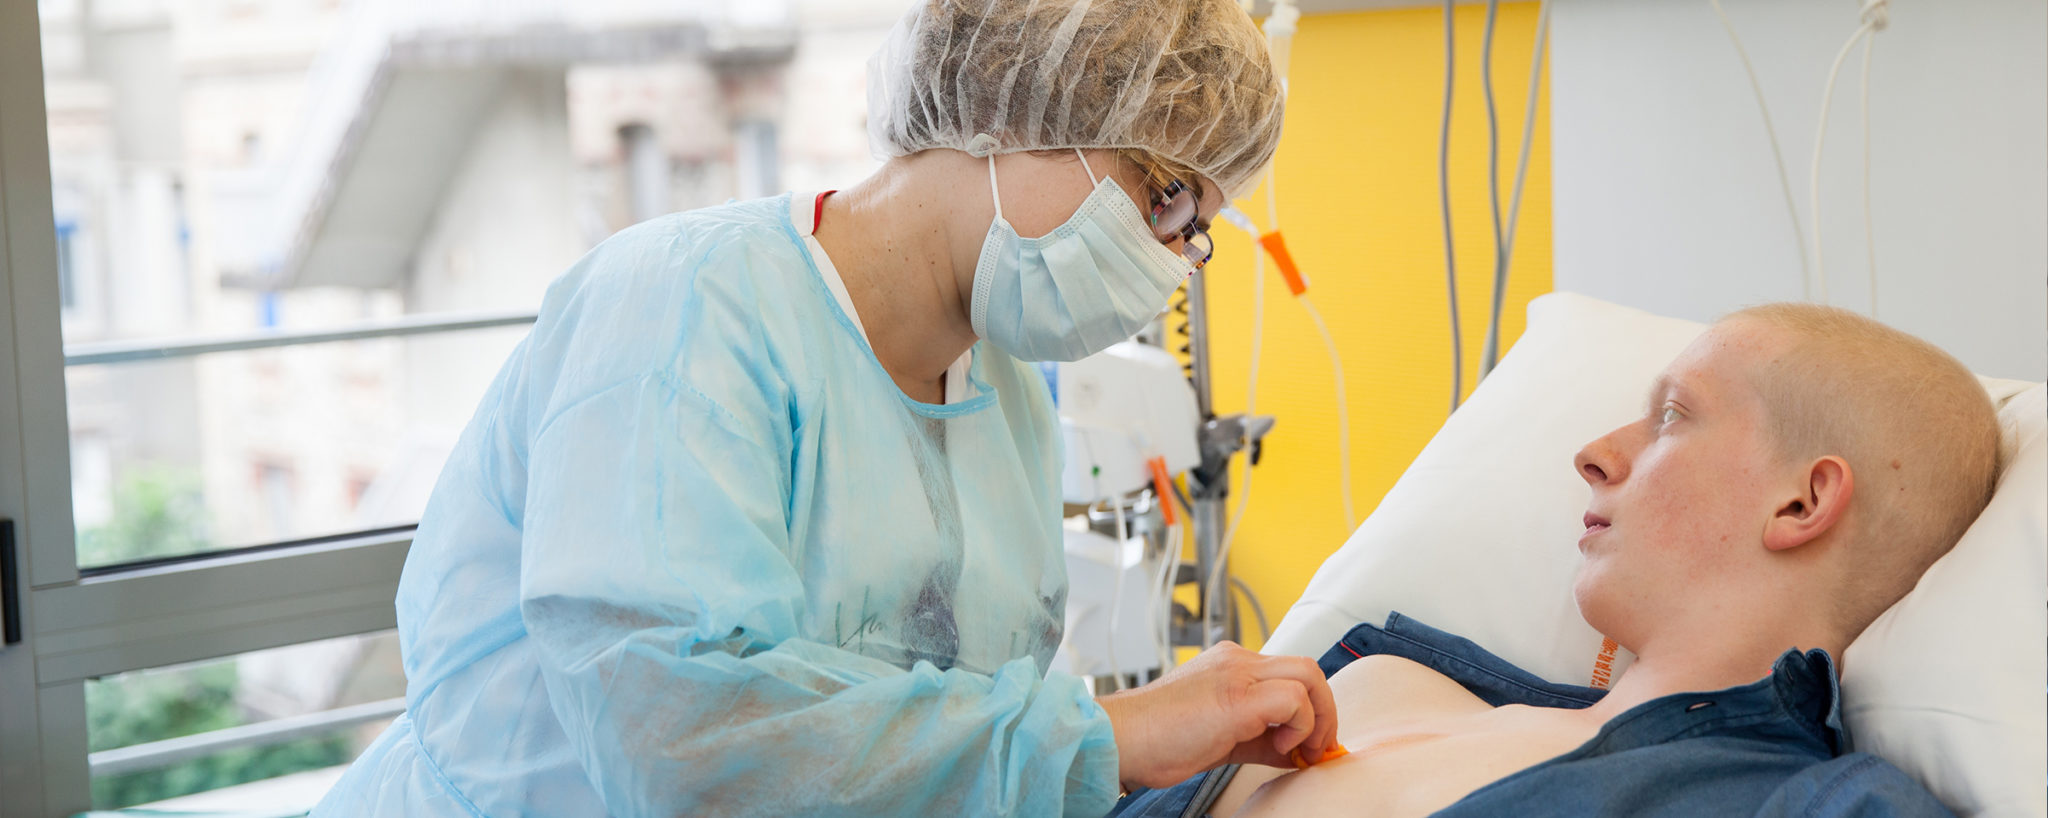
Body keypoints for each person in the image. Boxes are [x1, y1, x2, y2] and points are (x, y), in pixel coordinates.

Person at [313, 1, 1339, 816]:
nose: (1170, 260)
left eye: (1196, 232)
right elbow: (680, 743)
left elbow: (942, 748)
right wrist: (1109, 737)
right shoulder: (684, 311)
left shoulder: (1010, 406)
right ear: (1016, 106)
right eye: (1164, 198)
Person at [1112, 303, 2000, 817]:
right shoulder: (1374, 679)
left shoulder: (1797, 803)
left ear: (1801, 502)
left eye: (1672, 417)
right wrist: (1110, 738)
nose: (1595, 454)